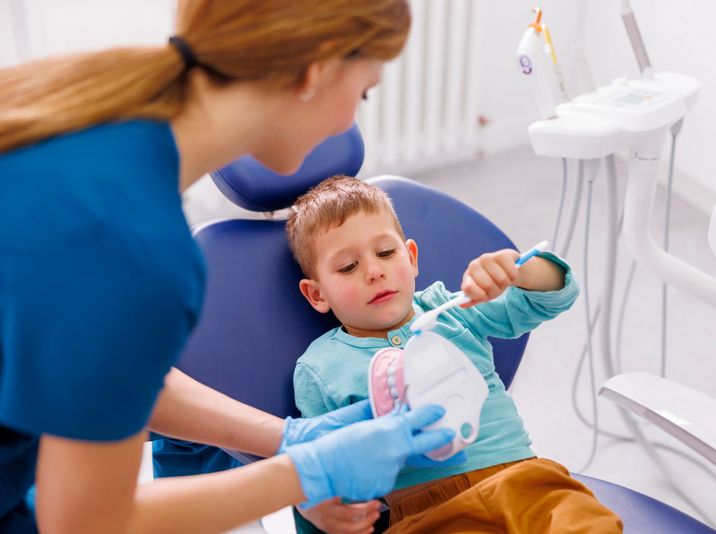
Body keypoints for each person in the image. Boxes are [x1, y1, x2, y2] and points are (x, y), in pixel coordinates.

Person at [0, 1, 462, 533]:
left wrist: (287, 438)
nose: (350, 121)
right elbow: (86, 523)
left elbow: (105, 368)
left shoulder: (85, 126)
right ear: (315, 71)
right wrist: (302, 474)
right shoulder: (137, 248)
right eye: (362, 93)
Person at [285, 176, 624, 533]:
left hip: (527, 483)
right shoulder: (319, 368)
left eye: (386, 253)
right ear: (317, 295)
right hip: (428, 514)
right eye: (348, 267)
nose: (374, 271)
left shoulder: (453, 307)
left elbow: (554, 296)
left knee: (589, 523)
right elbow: (320, 469)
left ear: (411, 257)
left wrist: (518, 271)